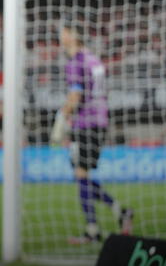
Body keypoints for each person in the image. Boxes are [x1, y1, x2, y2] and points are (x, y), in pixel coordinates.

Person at [52, 21, 134, 244]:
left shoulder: (76, 61)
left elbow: (75, 96)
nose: (60, 36)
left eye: (63, 32)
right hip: (99, 120)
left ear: (72, 35)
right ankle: (115, 214)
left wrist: (61, 117)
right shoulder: (93, 59)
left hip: (85, 123)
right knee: (82, 176)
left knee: (80, 176)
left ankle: (94, 229)